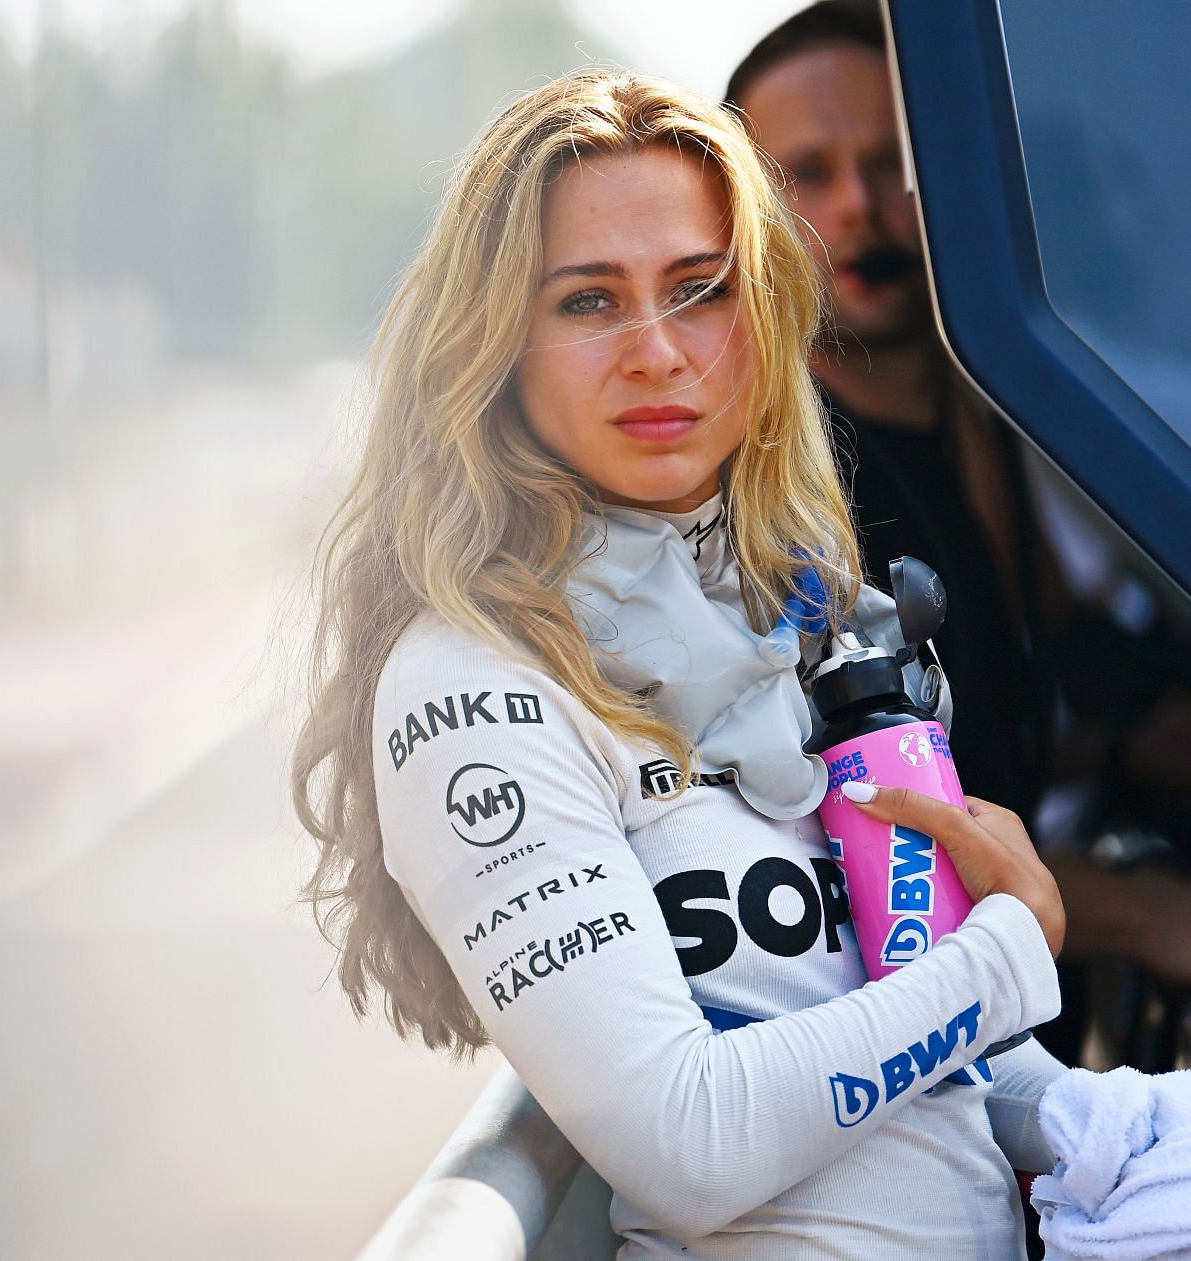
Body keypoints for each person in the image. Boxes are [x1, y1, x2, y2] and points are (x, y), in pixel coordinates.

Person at [293, 69, 1068, 1257]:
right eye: (589, 302)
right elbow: (688, 1146)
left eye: (700, 290)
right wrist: (1009, 952)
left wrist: (1101, 1120)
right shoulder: (470, 683)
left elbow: (926, 1076)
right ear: (498, 347)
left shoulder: (810, 615)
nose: (658, 352)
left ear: (758, 319)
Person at [727, 0, 1191, 1042]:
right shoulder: (767, 491)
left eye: (891, 163)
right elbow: (883, 820)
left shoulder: (1020, 388)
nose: (857, 208)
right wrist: (1155, 917)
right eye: (808, 173)